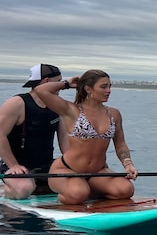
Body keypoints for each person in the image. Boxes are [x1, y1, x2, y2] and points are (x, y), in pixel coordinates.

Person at [34, 69, 138, 205]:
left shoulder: (114, 114)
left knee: (126, 190)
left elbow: (120, 144)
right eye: (103, 86)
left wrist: (128, 165)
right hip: (67, 169)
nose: (108, 90)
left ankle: (90, 191)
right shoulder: (71, 110)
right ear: (88, 89)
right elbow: (40, 90)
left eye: (109, 86)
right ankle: (67, 194)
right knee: (78, 194)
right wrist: (67, 83)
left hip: (97, 172)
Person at [0, 64, 69, 199]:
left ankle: (38, 186)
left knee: (82, 180)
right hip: (16, 166)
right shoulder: (17, 103)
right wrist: (13, 165)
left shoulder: (58, 105)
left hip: (46, 165)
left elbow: (65, 139)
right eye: (59, 81)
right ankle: (4, 190)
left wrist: (74, 164)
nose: (61, 85)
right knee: (23, 190)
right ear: (47, 82)